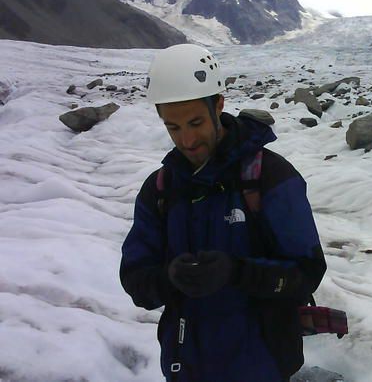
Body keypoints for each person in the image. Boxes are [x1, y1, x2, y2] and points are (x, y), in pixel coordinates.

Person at [120, 44, 327, 382]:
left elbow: (307, 274)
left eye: (195, 122)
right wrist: (170, 279)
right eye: (172, 127)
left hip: (263, 366)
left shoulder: (270, 178)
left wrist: (237, 273)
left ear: (218, 104)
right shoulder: (160, 189)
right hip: (186, 364)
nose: (186, 140)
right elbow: (136, 282)